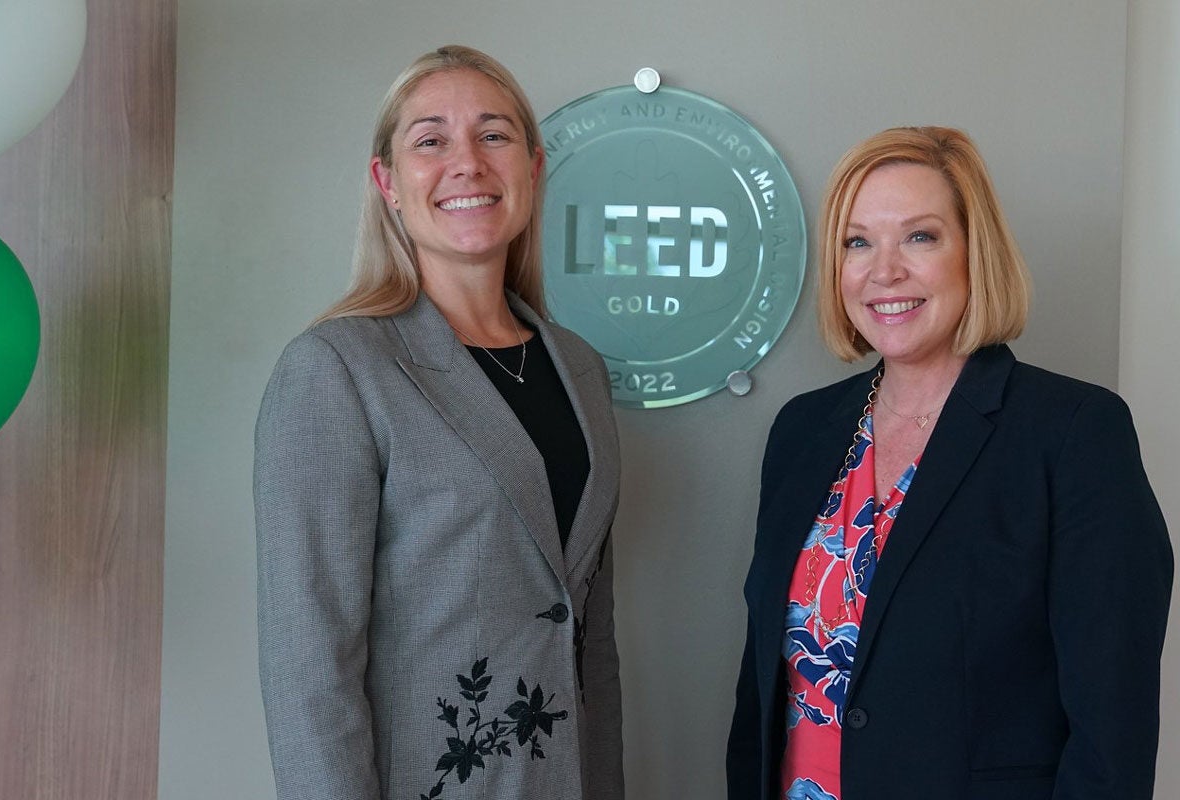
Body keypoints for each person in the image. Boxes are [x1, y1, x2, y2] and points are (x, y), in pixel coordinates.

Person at [726, 126, 1172, 800]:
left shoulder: (1075, 433)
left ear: (975, 253)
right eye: (858, 241)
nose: (885, 271)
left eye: (921, 236)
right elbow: (765, 690)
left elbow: (1113, 729)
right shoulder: (803, 429)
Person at [254, 45, 623, 800]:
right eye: (430, 140)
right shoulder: (336, 368)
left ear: (532, 166)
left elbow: (589, 635)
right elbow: (308, 664)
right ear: (387, 182)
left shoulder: (581, 369)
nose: (468, 163)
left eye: (493, 135)